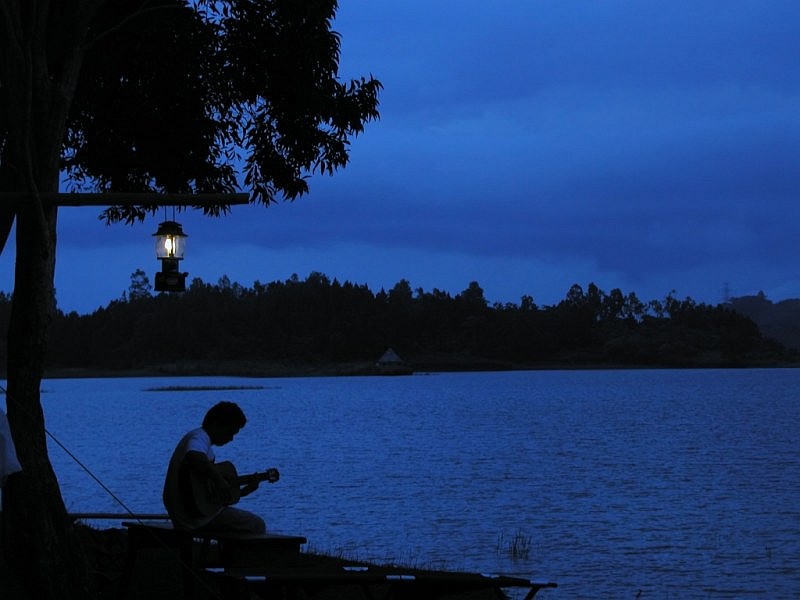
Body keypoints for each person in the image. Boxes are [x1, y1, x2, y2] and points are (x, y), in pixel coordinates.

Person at [163, 401, 267, 533]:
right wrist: (219, 480)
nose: (231, 439)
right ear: (216, 424)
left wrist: (244, 492)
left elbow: (206, 500)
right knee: (257, 525)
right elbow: (193, 455)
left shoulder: (201, 441)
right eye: (230, 432)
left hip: (190, 514)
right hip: (194, 519)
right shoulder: (198, 438)